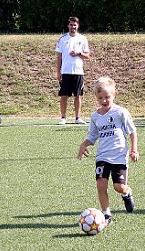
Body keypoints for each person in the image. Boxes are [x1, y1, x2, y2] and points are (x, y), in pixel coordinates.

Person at [77, 76, 139, 225]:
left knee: (119, 187)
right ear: (96, 98)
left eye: (107, 97)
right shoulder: (95, 116)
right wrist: (83, 144)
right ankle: (106, 215)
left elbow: (132, 131)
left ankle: (127, 193)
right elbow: (92, 136)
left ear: (114, 95)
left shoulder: (120, 112)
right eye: (100, 98)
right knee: (101, 184)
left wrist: (134, 150)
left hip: (118, 156)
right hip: (102, 156)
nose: (104, 100)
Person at [55, 16, 90, 125]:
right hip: (65, 71)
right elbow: (59, 57)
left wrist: (78, 53)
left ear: (78, 26)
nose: (73, 27)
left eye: (74, 25)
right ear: (68, 25)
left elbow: (87, 55)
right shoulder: (63, 39)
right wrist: (58, 71)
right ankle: (63, 117)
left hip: (78, 72)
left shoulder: (82, 39)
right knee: (64, 95)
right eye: (71, 24)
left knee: (78, 95)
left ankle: (77, 117)